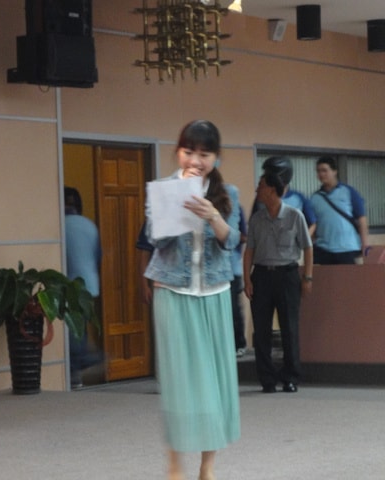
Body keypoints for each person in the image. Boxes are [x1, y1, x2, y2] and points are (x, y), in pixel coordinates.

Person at [143, 120, 240, 480]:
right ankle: (174, 463)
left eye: (204, 154)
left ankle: (207, 467)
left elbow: (232, 242)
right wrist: (179, 206)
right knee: (178, 382)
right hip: (172, 291)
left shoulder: (227, 192)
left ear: (216, 157)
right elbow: (155, 240)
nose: (196, 161)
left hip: (214, 292)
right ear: (178, 152)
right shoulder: (164, 189)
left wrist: (213, 216)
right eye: (189, 152)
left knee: (215, 382)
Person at [243, 157, 313, 394]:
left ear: (272, 189)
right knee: (261, 330)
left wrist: (308, 278)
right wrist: (247, 279)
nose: (257, 190)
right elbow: (249, 251)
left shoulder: (295, 215)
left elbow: (308, 248)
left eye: (261, 185)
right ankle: (267, 379)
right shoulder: (256, 219)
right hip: (261, 276)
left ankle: (291, 377)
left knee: (289, 329)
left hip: (287, 275)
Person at [63, 186, 102, 389]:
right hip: (90, 286)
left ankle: (78, 368)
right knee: (81, 329)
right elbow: (97, 256)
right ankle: (82, 365)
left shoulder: (60, 226)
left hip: (68, 286)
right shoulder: (89, 225)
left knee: (72, 331)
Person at [310, 156, 369, 265]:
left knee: (348, 276)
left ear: (334, 171)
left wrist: (365, 243)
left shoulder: (348, 192)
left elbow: (361, 218)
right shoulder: (315, 198)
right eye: (318, 171)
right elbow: (312, 223)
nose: (321, 174)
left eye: (324, 170)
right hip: (323, 250)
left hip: (347, 249)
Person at [251, 157, 317, 237]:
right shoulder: (261, 198)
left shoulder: (298, 198)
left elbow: (312, 224)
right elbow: (253, 224)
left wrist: (301, 241)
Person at [231, 204, 248, 357]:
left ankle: (239, 343)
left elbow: (244, 236)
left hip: (233, 267)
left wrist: (228, 235)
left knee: (234, 309)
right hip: (213, 270)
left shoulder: (236, 208)